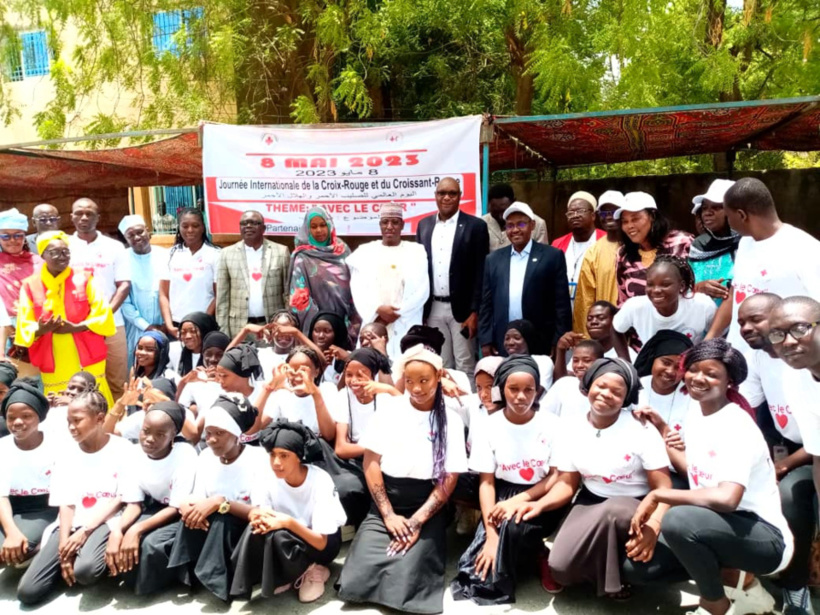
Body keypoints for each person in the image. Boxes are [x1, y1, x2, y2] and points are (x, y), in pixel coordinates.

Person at [626, 339, 793, 615]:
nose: (698, 378)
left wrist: (658, 494)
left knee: (678, 520)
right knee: (637, 569)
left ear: (730, 382)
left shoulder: (735, 424)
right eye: (693, 370)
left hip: (763, 537)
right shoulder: (698, 412)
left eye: (711, 374)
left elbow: (728, 498)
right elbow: (691, 470)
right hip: (718, 525)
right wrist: (660, 426)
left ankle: (715, 603)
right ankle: (744, 590)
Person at [337, 344, 468, 614]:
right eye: (409, 381)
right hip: (387, 500)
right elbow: (371, 463)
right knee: (356, 580)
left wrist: (417, 521)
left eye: (424, 381)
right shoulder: (389, 410)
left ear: (438, 376)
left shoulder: (451, 420)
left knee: (410, 575)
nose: (416, 388)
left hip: (427, 504)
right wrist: (387, 515)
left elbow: (448, 478)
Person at [535, 359, 673, 600]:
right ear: (588, 386)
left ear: (625, 398)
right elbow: (567, 484)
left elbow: (664, 487)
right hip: (591, 500)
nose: (606, 394)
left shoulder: (641, 428)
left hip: (637, 503)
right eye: (601, 386)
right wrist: (537, 505)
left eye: (616, 392)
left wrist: (655, 524)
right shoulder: (570, 428)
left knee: (614, 510)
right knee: (561, 568)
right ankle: (612, 566)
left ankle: (613, 583)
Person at [451, 355, 566, 604]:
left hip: (541, 494)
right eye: (513, 389)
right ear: (501, 389)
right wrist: (491, 536)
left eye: (529, 389)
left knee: (513, 528)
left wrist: (520, 501)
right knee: (479, 572)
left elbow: (556, 475)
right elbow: (487, 482)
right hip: (502, 491)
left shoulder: (553, 425)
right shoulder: (489, 426)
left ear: (538, 391)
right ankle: (531, 553)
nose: (521, 396)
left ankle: (538, 554)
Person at [737, 293, 816, 613]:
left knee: (791, 493)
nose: (745, 328)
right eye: (741, 322)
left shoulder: (802, 363)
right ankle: (779, 583)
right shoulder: (771, 363)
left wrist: (781, 466)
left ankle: (794, 586)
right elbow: (749, 408)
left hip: (804, 453)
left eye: (756, 320)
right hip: (795, 448)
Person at [17, 391, 133, 605]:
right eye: (68, 421)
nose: (71, 427)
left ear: (99, 418)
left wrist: (85, 532)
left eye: (77, 421)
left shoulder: (123, 449)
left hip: (105, 521)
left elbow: (121, 497)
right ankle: (65, 563)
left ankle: (84, 559)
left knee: (86, 571)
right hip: (72, 523)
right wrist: (63, 549)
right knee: (27, 592)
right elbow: (66, 502)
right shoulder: (65, 454)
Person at [230, 421, 347, 603]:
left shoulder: (320, 480)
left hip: (322, 543)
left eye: (284, 456)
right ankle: (287, 573)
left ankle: (315, 569)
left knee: (280, 534)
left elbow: (322, 542)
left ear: (299, 456)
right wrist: (262, 519)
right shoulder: (266, 476)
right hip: (287, 537)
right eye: (273, 455)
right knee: (257, 529)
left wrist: (288, 522)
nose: (276, 463)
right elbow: (264, 513)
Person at [707, 178, 820, 356]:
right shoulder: (745, 244)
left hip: (787, 359)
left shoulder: (804, 249)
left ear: (742, 215)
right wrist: (710, 338)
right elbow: (737, 293)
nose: (729, 223)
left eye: (728, 217)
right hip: (742, 355)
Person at [167, 395, 264, 601]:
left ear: (237, 434)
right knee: (194, 515)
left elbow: (260, 512)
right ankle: (191, 575)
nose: (211, 440)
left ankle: (222, 581)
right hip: (212, 523)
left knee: (223, 519)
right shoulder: (205, 457)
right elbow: (197, 497)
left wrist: (222, 503)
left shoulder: (259, 459)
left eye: (219, 433)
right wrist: (187, 506)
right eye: (208, 433)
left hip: (246, 530)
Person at [107, 402, 197, 595]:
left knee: (149, 545)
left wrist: (137, 529)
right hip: (154, 508)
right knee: (122, 537)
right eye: (145, 431)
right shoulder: (133, 454)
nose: (149, 439)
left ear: (173, 435)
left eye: (160, 434)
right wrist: (119, 531)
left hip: (182, 513)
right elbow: (134, 503)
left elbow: (175, 508)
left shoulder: (185, 455)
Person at [16, 231, 116, 404]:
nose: (62, 257)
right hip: (52, 355)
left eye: (66, 252)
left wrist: (77, 327)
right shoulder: (30, 285)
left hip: (87, 351)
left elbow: (103, 313)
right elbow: (24, 323)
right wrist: (41, 329)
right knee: (59, 401)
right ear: (43, 255)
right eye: (55, 252)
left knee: (93, 398)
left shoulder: (84, 278)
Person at [417, 177, 489, 379]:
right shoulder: (424, 225)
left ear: (460, 197)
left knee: (465, 363)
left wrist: (475, 311)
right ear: (435, 196)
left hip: (463, 310)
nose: (446, 197)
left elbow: (480, 271)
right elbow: (421, 268)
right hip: (433, 308)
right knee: (440, 363)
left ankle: (469, 409)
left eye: (452, 193)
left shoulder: (475, 226)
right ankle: (446, 409)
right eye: (442, 193)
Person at [480, 201, 571, 358]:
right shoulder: (493, 259)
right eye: (510, 225)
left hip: (540, 340)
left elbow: (561, 304)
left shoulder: (552, 256)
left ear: (533, 225)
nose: (515, 230)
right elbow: (486, 304)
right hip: (504, 341)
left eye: (521, 224)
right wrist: (486, 340)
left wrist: (558, 340)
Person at [68, 198, 131, 401]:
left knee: (117, 379)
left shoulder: (115, 247)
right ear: (71, 217)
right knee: (80, 381)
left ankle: (118, 426)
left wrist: (103, 315)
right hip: (75, 326)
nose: (84, 217)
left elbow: (124, 285)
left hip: (112, 323)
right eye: (79, 213)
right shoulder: (63, 246)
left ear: (98, 218)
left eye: (89, 213)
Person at [348, 202, 430, 359]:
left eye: (395, 222)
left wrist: (397, 313)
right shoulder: (366, 252)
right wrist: (378, 310)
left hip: (406, 320)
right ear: (380, 225)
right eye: (385, 222)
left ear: (402, 225)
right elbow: (358, 288)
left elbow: (421, 290)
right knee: (371, 364)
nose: (390, 226)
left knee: (405, 363)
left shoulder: (416, 251)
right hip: (374, 319)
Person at [326, 348, 396, 528]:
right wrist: (377, 446)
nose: (354, 381)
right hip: (356, 461)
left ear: (373, 374)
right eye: (349, 375)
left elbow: (408, 418)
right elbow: (341, 448)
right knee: (343, 487)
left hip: (384, 462)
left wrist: (389, 389)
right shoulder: (344, 396)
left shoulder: (386, 398)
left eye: (361, 374)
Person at [0, 382, 58, 568]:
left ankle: (42, 547)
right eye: (11, 417)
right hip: (10, 506)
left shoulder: (58, 445)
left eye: (26, 416)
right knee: (9, 547)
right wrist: (11, 531)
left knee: (17, 550)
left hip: (42, 508)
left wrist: (15, 535)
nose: (17, 422)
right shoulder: (3, 447)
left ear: (39, 418)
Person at [613, 255, 716, 352]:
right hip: (652, 366)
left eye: (665, 284)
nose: (656, 290)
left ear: (682, 286)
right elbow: (615, 328)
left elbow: (720, 334)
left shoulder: (702, 305)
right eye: (650, 284)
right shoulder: (635, 306)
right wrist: (625, 362)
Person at [288, 206, 359, 345]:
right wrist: (322, 323)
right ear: (307, 229)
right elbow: (299, 296)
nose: (319, 230)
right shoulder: (302, 257)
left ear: (329, 225)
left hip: (345, 320)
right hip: (317, 327)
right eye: (313, 227)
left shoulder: (342, 250)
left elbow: (355, 284)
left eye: (322, 225)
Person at [216, 210, 290, 339]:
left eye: (254, 223)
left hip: (272, 328)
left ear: (263, 228)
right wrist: (224, 333)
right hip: (239, 329)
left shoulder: (281, 252)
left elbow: (287, 293)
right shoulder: (226, 254)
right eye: (244, 223)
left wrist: (286, 327)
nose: (248, 226)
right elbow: (222, 298)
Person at [615, 191, 693, 304]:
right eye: (625, 221)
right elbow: (623, 301)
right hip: (641, 321)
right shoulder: (623, 254)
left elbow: (696, 286)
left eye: (635, 219)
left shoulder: (682, 243)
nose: (630, 226)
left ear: (652, 216)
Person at [159, 208, 220, 338]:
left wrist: (201, 321)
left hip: (205, 325)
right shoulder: (169, 255)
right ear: (179, 228)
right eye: (185, 226)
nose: (190, 230)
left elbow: (218, 294)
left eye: (195, 226)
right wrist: (169, 326)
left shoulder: (215, 254)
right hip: (176, 326)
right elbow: (163, 294)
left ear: (203, 228)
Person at [119, 215, 170, 370]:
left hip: (165, 326)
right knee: (136, 368)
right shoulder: (122, 259)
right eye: (130, 235)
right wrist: (147, 326)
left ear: (147, 231)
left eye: (140, 232)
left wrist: (166, 324)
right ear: (126, 238)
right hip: (136, 328)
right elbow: (124, 301)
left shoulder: (166, 255)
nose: (137, 237)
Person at [258, 346, 337, 442]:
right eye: (292, 371)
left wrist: (315, 394)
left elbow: (329, 435)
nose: (297, 376)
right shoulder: (283, 393)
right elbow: (256, 428)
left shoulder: (327, 390)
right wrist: (268, 389)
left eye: (303, 371)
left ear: (316, 372)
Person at [573, 191, 625, 335]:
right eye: (604, 212)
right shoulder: (593, 252)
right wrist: (586, 339)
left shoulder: (638, 246)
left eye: (614, 211)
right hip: (606, 333)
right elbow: (585, 300)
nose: (609, 216)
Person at [0, 208, 41, 377]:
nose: (12, 240)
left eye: (18, 235)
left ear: (25, 236)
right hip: (4, 329)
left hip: (36, 329)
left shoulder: (38, 262)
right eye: (6, 236)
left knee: (36, 379)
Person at [552, 191, 607, 311]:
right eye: (571, 212)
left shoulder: (607, 241)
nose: (575, 215)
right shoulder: (557, 244)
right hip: (565, 309)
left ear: (593, 215)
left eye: (581, 211)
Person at [687, 180, 739, 306]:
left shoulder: (747, 243)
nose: (707, 213)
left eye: (716, 207)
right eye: (704, 208)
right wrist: (699, 288)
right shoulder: (698, 246)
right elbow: (684, 287)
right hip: (701, 320)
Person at [555, 301, 637, 379]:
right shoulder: (584, 350)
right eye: (589, 318)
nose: (593, 322)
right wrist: (560, 350)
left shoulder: (628, 354)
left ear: (614, 321)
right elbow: (561, 383)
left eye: (601, 318)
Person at [542, 340, 605, 418]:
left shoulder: (605, 388)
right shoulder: (564, 384)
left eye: (587, 360)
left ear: (600, 362)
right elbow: (544, 414)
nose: (579, 365)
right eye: (575, 361)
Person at [176, 330, 231, 419]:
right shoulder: (195, 378)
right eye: (208, 354)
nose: (213, 359)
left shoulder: (235, 379)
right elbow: (180, 407)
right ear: (202, 355)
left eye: (219, 355)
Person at [482, 183, 548, 251]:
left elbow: (542, 254)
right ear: (489, 206)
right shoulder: (481, 223)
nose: (501, 216)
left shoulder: (538, 224)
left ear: (513, 202)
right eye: (495, 211)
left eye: (504, 211)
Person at [501, 319, 554, 392]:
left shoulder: (542, 361)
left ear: (528, 340)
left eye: (517, 338)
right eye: (507, 338)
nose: (510, 343)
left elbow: (536, 394)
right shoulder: (501, 364)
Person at [168, 312, 219, 378]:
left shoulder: (216, 355)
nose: (187, 336)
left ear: (204, 331)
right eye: (183, 332)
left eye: (193, 331)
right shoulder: (174, 350)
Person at [309, 311, 352, 385]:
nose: (321, 336)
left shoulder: (348, 356)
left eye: (327, 331)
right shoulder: (305, 357)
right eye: (316, 330)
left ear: (337, 333)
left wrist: (347, 358)